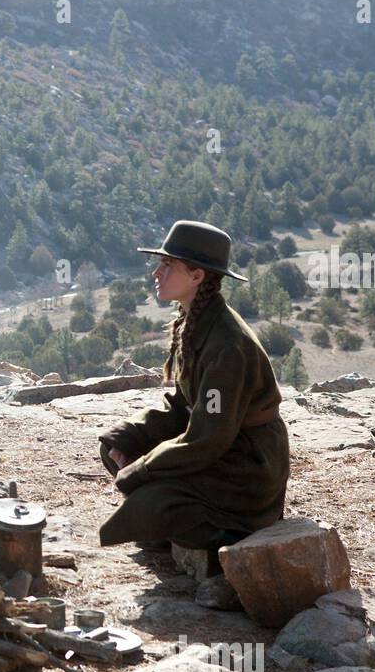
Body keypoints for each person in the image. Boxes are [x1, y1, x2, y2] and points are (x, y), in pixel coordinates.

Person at [97, 220, 289, 563]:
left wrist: (143, 469)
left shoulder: (227, 344)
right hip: (216, 445)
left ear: (197, 276)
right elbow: (183, 405)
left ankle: (235, 532)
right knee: (116, 444)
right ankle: (172, 521)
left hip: (247, 467)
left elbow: (207, 440)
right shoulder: (194, 321)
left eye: (167, 265)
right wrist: (131, 436)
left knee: (150, 501)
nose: (157, 273)